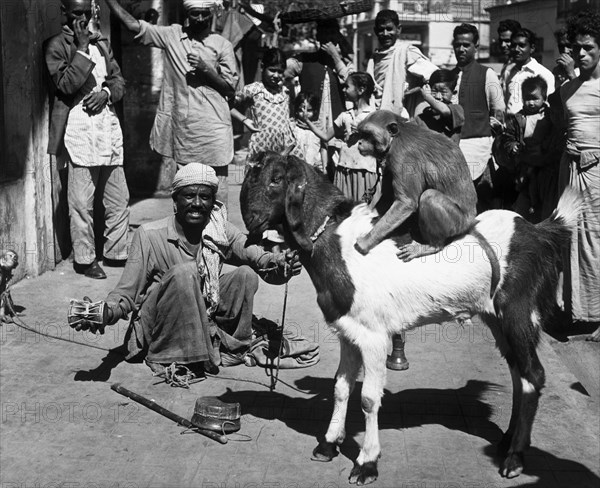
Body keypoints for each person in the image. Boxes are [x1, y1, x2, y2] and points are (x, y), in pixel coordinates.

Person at [72, 163, 301, 381]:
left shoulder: (219, 231)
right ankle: (180, 356)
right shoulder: (149, 235)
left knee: (245, 275)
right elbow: (126, 292)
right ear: (175, 200)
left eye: (205, 197)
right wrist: (106, 313)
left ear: (213, 202)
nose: (197, 203)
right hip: (161, 325)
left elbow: (260, 260)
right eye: (189, 196)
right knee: (185, 272)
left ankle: (232, 347)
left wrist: (283, 264)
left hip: (203, 314)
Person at [104, 0, 238, 204]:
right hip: (185, 132)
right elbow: (133, 26)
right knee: (187, 194)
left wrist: (205, 69)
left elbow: (229, 88)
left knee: (217, 196)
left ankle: (218, 236)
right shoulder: (172, 35)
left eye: (205, 14)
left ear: (211, 14)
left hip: (215, 132)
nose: (200, 19)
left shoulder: (222, 44)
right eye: (195, 14)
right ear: (187, 13)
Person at [45, 0, 130, 280]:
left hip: (108, 130)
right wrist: (81, 48)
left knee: (118, 199)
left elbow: (119, 82)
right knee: (81, 203)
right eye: (75, 14)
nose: (82, 19)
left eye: (86, 13)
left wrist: (106, 93)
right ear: (64, 13)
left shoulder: (103, 44)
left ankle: (117, 253)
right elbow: (66, 85)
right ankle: (84, 259)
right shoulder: (56, 46)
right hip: (79, 132)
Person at [558, 11, 600, 341]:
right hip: (571, 169)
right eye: (576, 48)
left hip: (597, 167)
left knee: (597, 240)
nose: (581, 54)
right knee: (573, 237)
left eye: (587, 47)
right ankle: (579, 310)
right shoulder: (568, 88)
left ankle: (598, 314)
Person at [451, 23, 505, 211]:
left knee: (480, 204)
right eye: (458, 44)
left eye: (466, 44)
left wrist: (485, 129)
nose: (461, 49)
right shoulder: (448, 75)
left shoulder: (487, 74)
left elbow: (498, 110)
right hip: (452, 148)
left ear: (476, 47)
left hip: (478, 147)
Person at [302, 72, 378, 203]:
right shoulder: (345, 116)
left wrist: (364, 133)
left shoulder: (374, 115)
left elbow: (381, 143)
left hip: (364, 170)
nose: (343, 90)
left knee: (364, 211)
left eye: (347, 86)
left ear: (361, 90)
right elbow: (326, 136)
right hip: (345, 169)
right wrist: (307, 122)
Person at [495, 76, 559, 222]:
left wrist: (544, 147)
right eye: (526, 98)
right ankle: (526, 208)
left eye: (535, 98)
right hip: (524, 159)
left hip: (544, 162)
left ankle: (536, 206)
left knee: (539, 186)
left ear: (544, 97)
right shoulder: (517, 118)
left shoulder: (549, 116)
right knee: (525, 184)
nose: (530, 103)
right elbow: (508, 137)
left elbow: (554, 135)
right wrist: (512, 146)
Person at [230, 48, 302, 163]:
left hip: (284, 146)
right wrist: (244, 120)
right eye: (272, 70)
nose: (276, 75)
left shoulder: (285, 91)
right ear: (262, 67)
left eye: (280, 71)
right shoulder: (253, 89)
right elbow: (228, 105)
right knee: (261, 177)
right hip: (262, 145)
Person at [366, 9, 438, 119]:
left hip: (399, 116)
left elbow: (435, 76)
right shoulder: (374, 57)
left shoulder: (406, 52)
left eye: (389, 29)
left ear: (398, 29)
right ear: (376, 31)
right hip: (375, 114)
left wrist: (412, 89)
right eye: (381, 30)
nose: (385, 34)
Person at [502, 28, 555, 115]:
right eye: (513, 45)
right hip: (510, 125)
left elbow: (548, 107)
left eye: (522, 45)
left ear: (532, 48)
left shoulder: (543, 73)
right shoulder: (508, 72)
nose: (516, 49)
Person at [413, 69, 464, 143]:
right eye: (434, 90)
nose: (438, 96)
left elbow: (444, 111)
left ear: (454, 93)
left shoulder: (457, 110)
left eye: (443, 92)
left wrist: (428, 96)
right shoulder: (421, 118)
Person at [291, 92, 327, 172]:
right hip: (296, 168)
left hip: (315, 168)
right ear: (296, 110)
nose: (305, 114)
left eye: (309, 110)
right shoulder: (292, 126)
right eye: (301, 110)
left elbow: (323, 148)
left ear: (315, 111)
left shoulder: (318, 128)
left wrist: (325, 166)